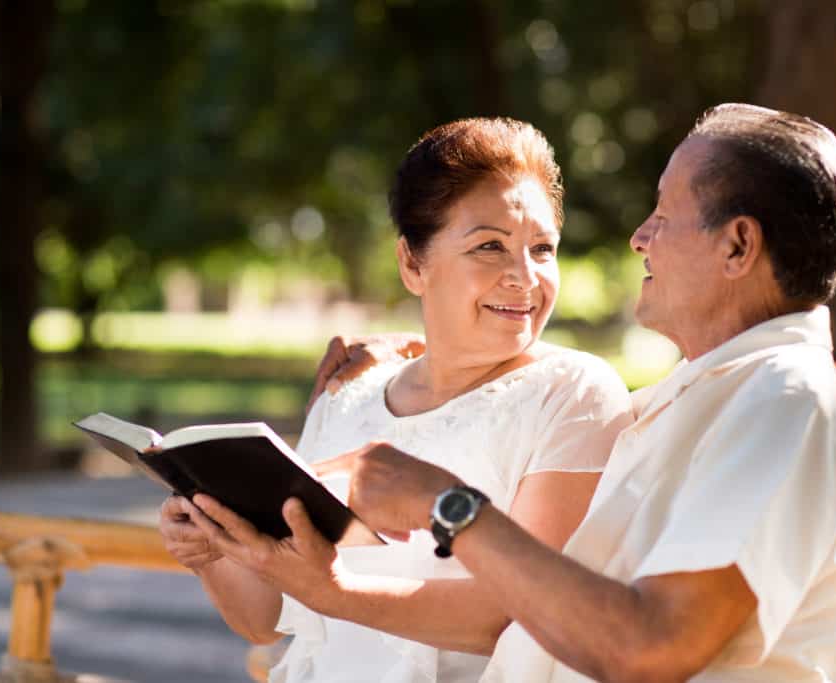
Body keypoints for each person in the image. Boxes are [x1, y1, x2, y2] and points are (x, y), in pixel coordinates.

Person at [310, 103, 836, 681]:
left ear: (737, 246)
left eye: (665, 215)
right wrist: (423, 349)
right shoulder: (711, 395)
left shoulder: (786, 403)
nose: (640, 237)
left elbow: (650, 647)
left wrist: (449, 507)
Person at [158, 117, 633, 682]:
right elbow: (267, 618)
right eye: (490, 247)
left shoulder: (575, 394)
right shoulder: (346, 394)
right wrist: (212, 550)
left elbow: (522, 614)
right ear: (412, 263)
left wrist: (337, 592)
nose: (524, 277)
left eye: (542, 248)